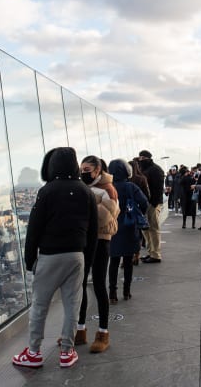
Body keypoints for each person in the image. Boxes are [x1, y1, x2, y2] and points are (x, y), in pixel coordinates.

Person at [13, 147, 97, 369]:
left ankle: (33, 352)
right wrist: (87, 261)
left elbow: (34, 228)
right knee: (73, 305)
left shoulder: (47, 191)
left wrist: (30, 259)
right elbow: (93, 231)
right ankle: (67, 353)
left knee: (40, 305)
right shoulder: (85, 191)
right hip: (76, 255)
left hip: (50, 255)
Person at [75, 156, 119, 353]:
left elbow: (106, 218)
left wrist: (85, 202)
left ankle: (103, 333)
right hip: (84, 241)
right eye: (81, 168)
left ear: (97, 169)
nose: (83, 172)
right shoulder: (83, 187)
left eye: (87, 169)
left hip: (101, 241)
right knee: (81, 285)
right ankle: (80, 330)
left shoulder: (108, 189)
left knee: (99, 285)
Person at [108, 159, 148, 303]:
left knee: (113, 261)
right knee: (128, 261)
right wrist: (137, 214)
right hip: (129, 226)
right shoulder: (131, 187)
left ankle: (112, 293)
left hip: (112, 228)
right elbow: (144, 203)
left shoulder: (108, 187)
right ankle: (126, 291)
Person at [138, 150, 165, 263]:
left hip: (152, 203)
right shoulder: (146, 169)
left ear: (148, 158)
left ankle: (156, 255)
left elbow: (158, 189)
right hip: (146, 203)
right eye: (140, 158)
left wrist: (153, 203)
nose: (141, 160)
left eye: (143, 158)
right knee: (146, 230)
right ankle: (150, 252)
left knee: (153, 229)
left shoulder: (156, 170)